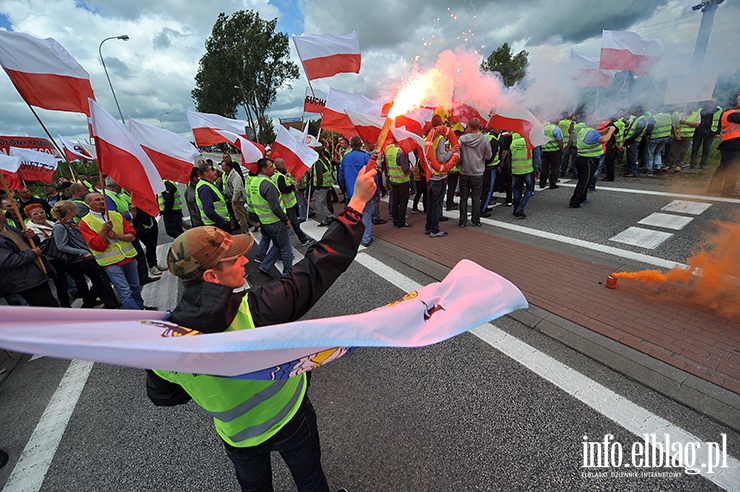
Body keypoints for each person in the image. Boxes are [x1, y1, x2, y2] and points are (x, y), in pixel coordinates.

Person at [146, 165, 376, 492]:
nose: (245, 261)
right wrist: (356, 205)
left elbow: (163, 395)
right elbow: (317, 267)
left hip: (237, 436)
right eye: (235, 258)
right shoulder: (254, 312)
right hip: (289, 418)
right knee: (310, 480)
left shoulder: (161, 342)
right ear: (211, 277)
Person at [79, 192, 150, 310]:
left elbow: (132, 236)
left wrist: (117, 236)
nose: (102, 201)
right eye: (97, 200)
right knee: (124, 291)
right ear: (88, 203)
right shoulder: (85, 223)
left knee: (135, 286)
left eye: (102, 199)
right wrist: (103, 231)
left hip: (129, 257)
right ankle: (137, 315)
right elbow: (96, 246)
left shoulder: (115, 215)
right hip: (110, 263)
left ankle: (141, 308)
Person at [51, 200, 119, 309]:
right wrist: (83, 252)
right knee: (99, 280)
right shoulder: (60, 226)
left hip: (87, 256)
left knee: (100, 280)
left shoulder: (70, 223)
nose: (76, 211)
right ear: (69, 211)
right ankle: (89, 303)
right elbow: (61, 246)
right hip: (80, 259)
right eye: (74, 209)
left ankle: (110, 302)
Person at [0, 209, 58, 307]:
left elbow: (30, 244)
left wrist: (32, 236)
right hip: (25, 281)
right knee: (47, 307)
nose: (3, 213)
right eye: (0, 211)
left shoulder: (9, 228)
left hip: (36, 273)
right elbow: (7, 261)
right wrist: (32, 253)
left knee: (50, 304)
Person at [248, 158, 293, 277]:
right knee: (286, 248)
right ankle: (288, 273)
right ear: (264, 169)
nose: (274, 168)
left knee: (278, 246)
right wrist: (286, 219)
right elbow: (275, 207)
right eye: (271, 166)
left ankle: (265, 267)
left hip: (265, 221)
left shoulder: (255, 182)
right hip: (276, 221)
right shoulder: (267, 184)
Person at [569, 115, 615, 208]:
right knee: (584, 181)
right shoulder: (592, 133)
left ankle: (582, 197)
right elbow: (604, 140)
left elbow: (596, 133)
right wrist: (610, 131)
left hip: (583, 158)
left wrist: (605, 131)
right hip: (588, 160)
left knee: (586, 180)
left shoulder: (585, 130)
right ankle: (574, 202)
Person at [339, 135, 375, 246]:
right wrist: (377, 190)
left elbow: (341, 175)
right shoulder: (366, 157)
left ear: (351, 145)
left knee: (354, 214)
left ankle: (355, 236)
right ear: (360, 144)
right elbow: (373, 174)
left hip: (351, 191)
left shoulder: (346, 157)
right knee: (367, 213)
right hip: (365, 190)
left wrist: (344, 188)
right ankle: (366, 238)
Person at [457, 118, 492, 227]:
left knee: (463, 198)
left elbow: (457, 156)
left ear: (470, 127)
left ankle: (462, 221)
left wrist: (460, 163)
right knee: (476, 198)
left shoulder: (462, 139)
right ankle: (475, 220)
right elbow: (489, 155)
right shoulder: (484, 140)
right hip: (477, 173)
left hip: (464, 172)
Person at [273, 158, 314, 246]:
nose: (285, 164)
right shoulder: (279, 176)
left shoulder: (279, 174)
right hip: (287, 204)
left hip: (288, 203)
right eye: (284, 163)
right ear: (279, 165)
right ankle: (303, 240)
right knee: (294, 223)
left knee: (292, 223)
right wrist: (292, 186)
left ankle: (301, 239)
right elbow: (283, 189)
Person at [708, 94, 740, 197]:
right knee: (733, 168)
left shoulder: (731, 112)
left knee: (723, 167)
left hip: (730, 144)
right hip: (733, 144)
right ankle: (728, 191)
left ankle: (713, 187)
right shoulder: (732, 114)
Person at [196, 163, 231, 233]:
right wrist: (222, 222)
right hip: (216, 225)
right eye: (212, 170)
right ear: (205, 173)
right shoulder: (205, 188)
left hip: (217, 224)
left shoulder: (209, 184)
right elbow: (208, 210)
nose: (215, 172)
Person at [385, 142, 412, 228]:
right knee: (403, 202)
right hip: (403, 180)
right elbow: (405, 169)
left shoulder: (388, 149)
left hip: (393, 179)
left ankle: (395, 220)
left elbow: (386, 165)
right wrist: (411, 170)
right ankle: (401, 222)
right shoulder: (401, 152)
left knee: (395, 201)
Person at [690, 98, 723, 170]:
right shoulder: (701, 109)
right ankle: (693, 164)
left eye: (714, 102)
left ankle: (703, 164)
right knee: (695, 148)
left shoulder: (718, 110)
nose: (712, 103)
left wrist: (718, 132)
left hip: (710, 132)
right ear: (707, 102)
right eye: (711, 102)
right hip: (699, 131)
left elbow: (720, 122)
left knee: (706, 149)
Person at [509, 133, 535, 218]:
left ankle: (516, 209)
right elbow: (536, 158)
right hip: (528, 170)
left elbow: (509, 157)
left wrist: (509, 169)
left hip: (516, 170)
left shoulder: (514, 143)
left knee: (516, 190)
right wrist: (538, 170)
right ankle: (520, 208)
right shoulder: (530, 143)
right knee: (530, 189)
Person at [312, 143, 335, 226]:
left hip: (321, 185)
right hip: (326, 184)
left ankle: (330, 217)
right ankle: (325, 220)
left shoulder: (318, 162)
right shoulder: (325, 159)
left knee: (319, 204)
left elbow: (319, 175)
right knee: (324, 203)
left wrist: (317, 186)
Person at [539, 121, 563, 189]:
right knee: (554, 168)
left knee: (544, 168)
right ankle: (552, 184)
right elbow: (560, 141)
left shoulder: (544, 128)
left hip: (545, 151)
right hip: (555, 151)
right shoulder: (556, 129)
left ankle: (542, 183)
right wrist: (561, 149)